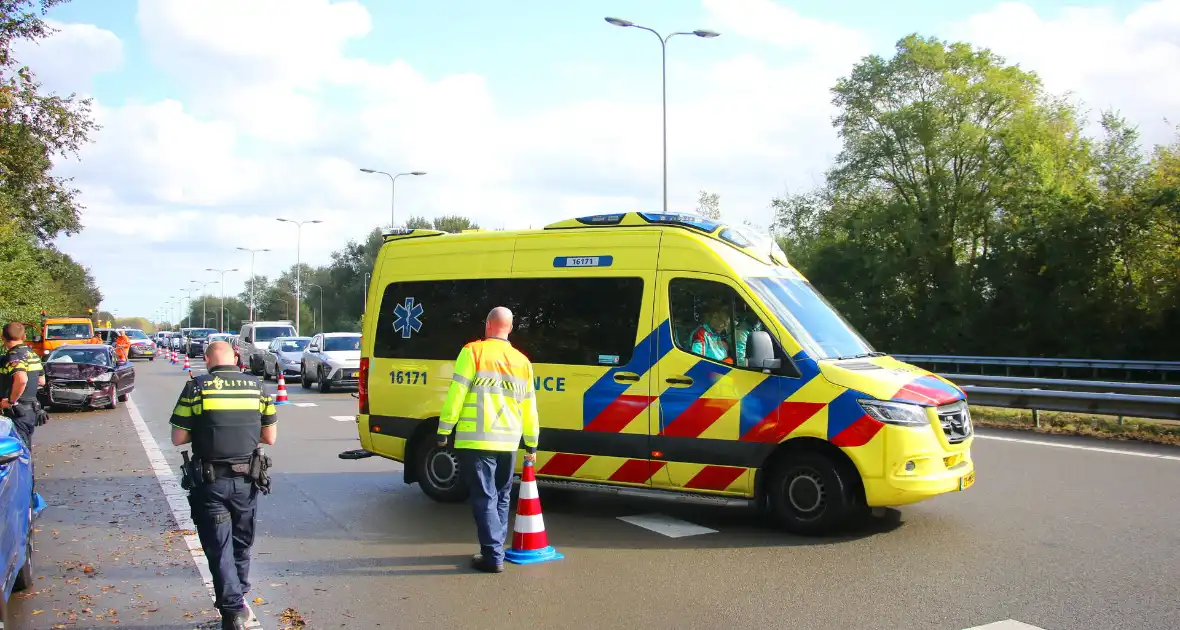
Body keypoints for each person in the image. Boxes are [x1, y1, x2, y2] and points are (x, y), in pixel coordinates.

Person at [170, 340, 277, 629]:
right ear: (237, 358)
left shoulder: (196, 387)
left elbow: (178, 438)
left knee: (219, 546)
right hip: (247, 480)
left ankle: (232, 610)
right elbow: (270, 437)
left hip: (211, 482)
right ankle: (238, 598)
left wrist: (205, 429)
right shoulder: (257, 387)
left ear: (207, 360)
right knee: (242, 543)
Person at [437, 306, 540, 573]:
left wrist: (444, 429)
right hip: (509, 440)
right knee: (502, 495)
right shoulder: (522, 361)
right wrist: (532, 442)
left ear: (487, 325)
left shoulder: (473, 352)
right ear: (510, 328)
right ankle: (495, 549)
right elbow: (530, 407)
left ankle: (492, 555)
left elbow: (456, 393)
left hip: (477, 438)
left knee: (484, 497)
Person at [0, 322, 46, 448]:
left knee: (17, 452)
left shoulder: (13, 356)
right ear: (24, 337)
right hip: (30, 410)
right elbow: (41, 381)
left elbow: (21, 380)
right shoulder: (33, 355)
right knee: (25, 449)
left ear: (2, 336)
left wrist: (11, 401)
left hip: (16, 411)